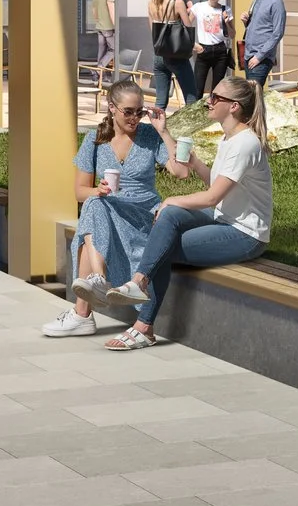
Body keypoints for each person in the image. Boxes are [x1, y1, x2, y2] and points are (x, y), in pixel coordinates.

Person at [105, 75, 275, 351]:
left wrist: (172, 199)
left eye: (216, 97)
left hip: (245, 235)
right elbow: (215, 184)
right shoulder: (229, 138)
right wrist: (195, 163)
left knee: (165, 244)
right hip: (223, 220)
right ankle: (139, 282)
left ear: (233, 106)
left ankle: (143, 325)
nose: (209, 100)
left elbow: (213, 197)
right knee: (169, 220)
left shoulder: (245, 144)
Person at [42, 80, 198, 338]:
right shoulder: (95, 139)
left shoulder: (150, 137)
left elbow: (181, 172)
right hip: (108, 208)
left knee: (92, 214)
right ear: (111, 107)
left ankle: (84, 310)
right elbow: (80, 192)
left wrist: (164, 131)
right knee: (94, 203)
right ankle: (98, 281)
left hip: (143, 214)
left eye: (139, 112)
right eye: (128, 111)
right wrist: (98, 190)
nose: (135, 118)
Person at [147, 0, 198, 113]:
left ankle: (157, 131)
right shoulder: (177, 3)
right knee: (190, 97)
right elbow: (188, 27)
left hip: (159, 54)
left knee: (160, 100)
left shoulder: (151, 2)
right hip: (176, 55)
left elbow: (154, 31)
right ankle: (189, 133)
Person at [240, 0, 285, 86]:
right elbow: (258, 27)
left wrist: (259, 57)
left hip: (261, 59)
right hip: (249, 56)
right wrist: (246, 22)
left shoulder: (275, 1)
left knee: (254, 96)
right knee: (253, 97)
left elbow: (278, 33)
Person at [193, 0, 233, 101]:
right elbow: (185, 26)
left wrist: (227, 23)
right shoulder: (198, 7)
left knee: (216, 91)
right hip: (203, 50)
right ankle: (195, 118)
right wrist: (193, 44)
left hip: (220, 51)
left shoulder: (226, 10)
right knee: (197, 89)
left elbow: (232, 34)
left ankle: (214, 116)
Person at [90, 0, 118, 77]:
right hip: (108, 26)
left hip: (100, 26)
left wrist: (99, 20)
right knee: (113, 49)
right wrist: (115, 24)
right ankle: (99, 68)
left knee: (101, 50)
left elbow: (94, 11)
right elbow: (111, 8)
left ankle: (99, 76)